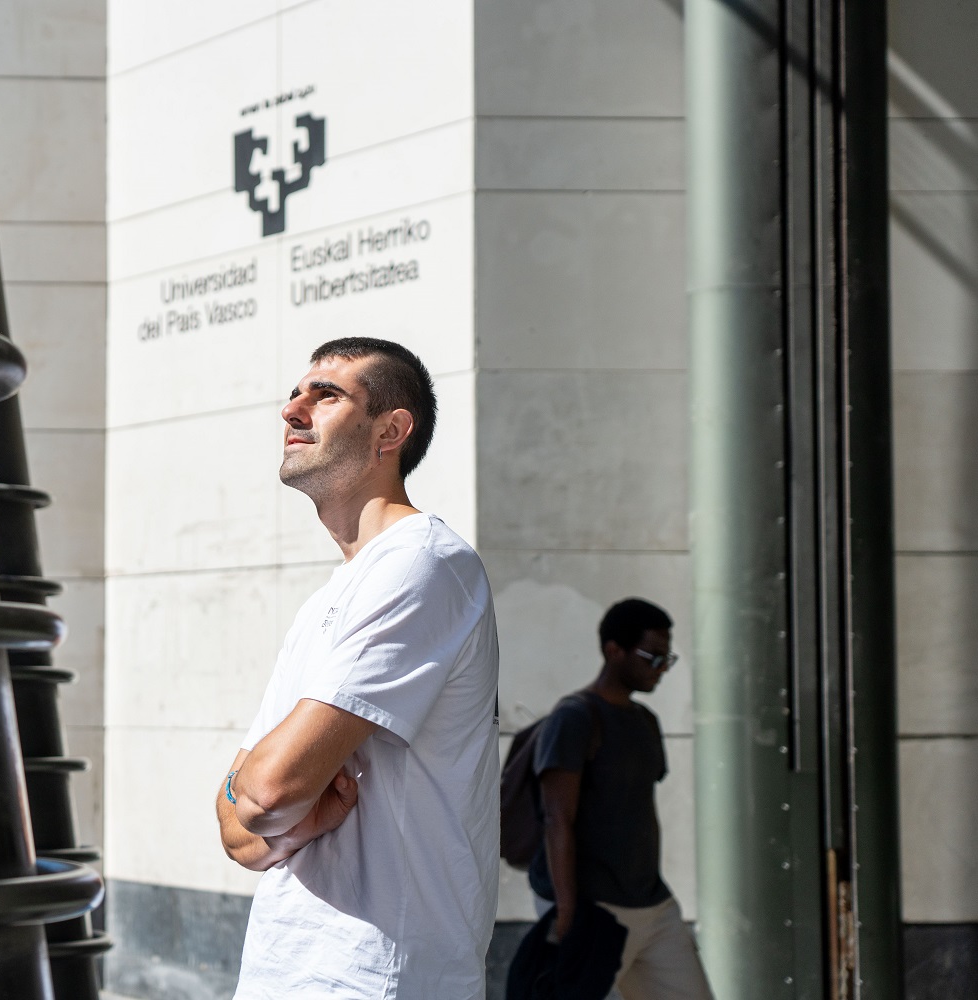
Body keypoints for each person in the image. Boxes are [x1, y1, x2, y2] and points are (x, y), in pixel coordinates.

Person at [215, 337, 500, 999]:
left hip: (379, 978)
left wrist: (271, 803)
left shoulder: (423, 563)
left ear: (391, 431)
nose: (293, 408)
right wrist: (287, 812)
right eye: (296, 391)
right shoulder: (323, 604)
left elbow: (262, 792)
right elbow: (240, 837)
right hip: (287, 971)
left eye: (327, 394)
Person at [528, 598, 715, 1000]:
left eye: (668, 659)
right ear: (614, 651)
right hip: (592, 912)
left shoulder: (646, 721)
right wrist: (566, 913)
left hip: (654, 907)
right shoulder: (574, 717)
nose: (661, 669)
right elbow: (557, 819)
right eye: (652, 657)